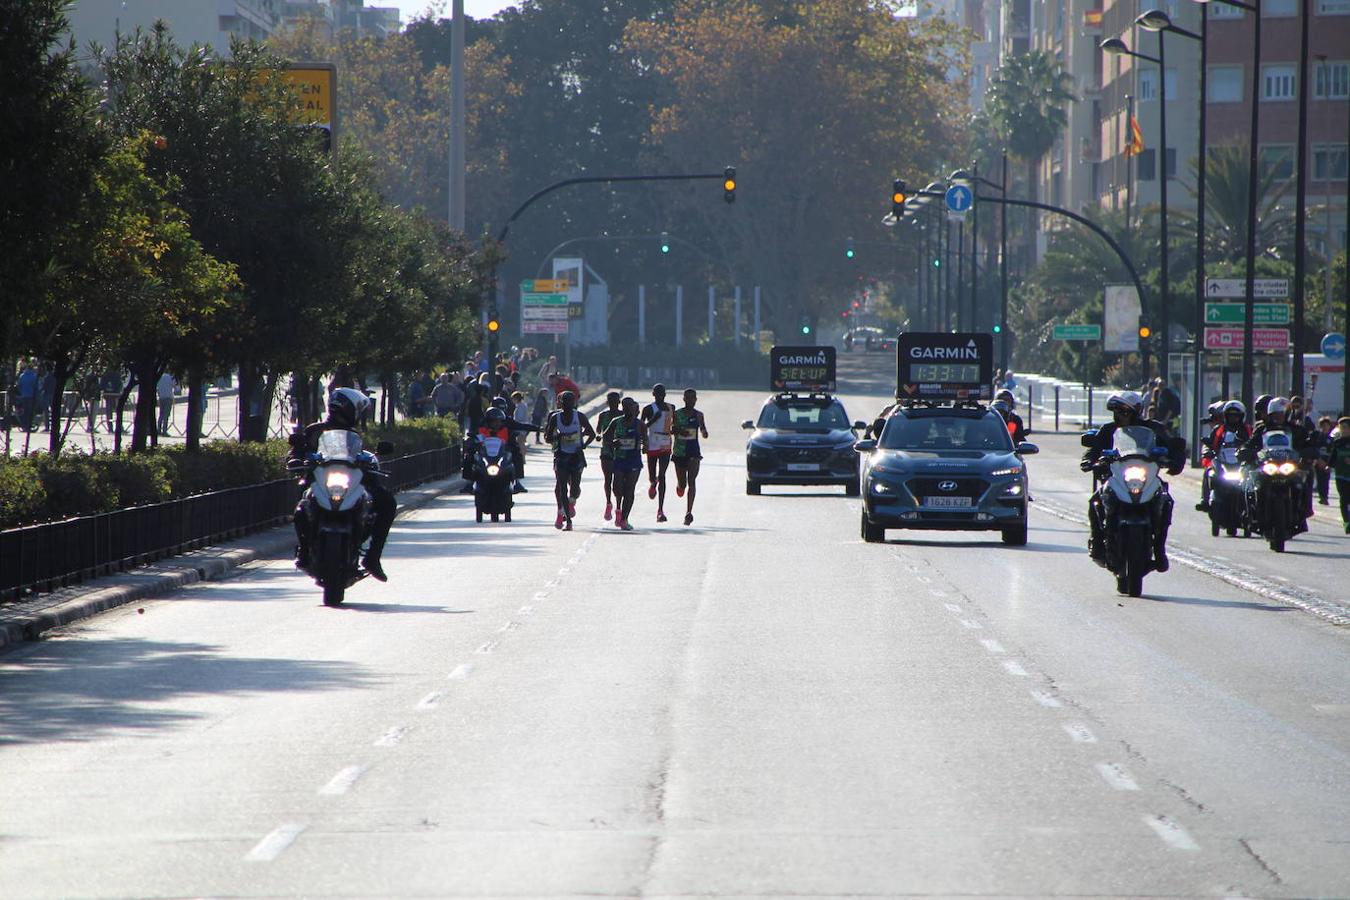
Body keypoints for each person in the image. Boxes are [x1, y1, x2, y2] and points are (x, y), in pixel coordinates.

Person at [289, 387, 395, 582]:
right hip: (320, 484)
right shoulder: (314, 431)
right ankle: (304, 549)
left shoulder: (354, 435)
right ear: (348, 409)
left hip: (347, 484)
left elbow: (364, 456)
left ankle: (373, 557)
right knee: (301, 507)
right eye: (357, 409)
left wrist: (370, 462)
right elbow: (297, 451)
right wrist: (297, 458)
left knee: (387, 501)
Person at [1081, 390, 1183, 572]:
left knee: (1166, 500)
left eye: (1124, 412)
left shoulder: (1153, 428)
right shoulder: (1108, 430)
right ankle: (1097, 543)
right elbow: (1094, 447)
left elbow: (1171, 444)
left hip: (1146, 477)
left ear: (1136, 412)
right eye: (1117, 412)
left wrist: (1174, 460)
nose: (1119, 416)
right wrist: (1090, 461)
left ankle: (1159, 548)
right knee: (1095, 501)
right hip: (1117, 477)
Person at [1240, 396, 1313, 531]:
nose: (1279, 418)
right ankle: (1251, 513)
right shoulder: (1261, 429)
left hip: (1289, 466)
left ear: (1288, 414)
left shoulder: (1297, 430)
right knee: (1250, 483)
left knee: (1305, 479)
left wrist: (1309, 451)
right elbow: (1250, 444)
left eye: (1282, 414)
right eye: (1275, 415)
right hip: (1267, 466)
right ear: (1270, 415)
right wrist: (1245, 451)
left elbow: (1308, 444)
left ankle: (1303, 512)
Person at [543, 390, 596, 530]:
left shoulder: (580, 417)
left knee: (574, 489)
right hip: (561, 456)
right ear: (561, 403)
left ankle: (571, 504)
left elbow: (592, 433)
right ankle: (567, 520)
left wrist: (583, 445)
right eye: (565, 402)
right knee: (561, 488)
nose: (567, 405)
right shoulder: (555, 418)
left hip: (576, 456)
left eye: (570, 402)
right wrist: (558, 437)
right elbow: (547, 438)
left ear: (574, 403)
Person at [600, 397, 648, 530]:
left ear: (634, 408)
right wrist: (612, 442)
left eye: (630, 406)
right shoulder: (616, 422)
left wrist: (645, 447)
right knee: (617, 488)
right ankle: (618, 508)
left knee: (630, 489)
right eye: (625, 407)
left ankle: (624, 518)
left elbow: (646, 440)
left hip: (634, 461)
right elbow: (605, 436)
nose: (628, 409)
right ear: (623, 408)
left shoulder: (639, 424)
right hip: (619, 459)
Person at [1197, 400, 1250, 511]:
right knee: (1208, 471)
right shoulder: (1219, 430)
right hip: (1223, 462)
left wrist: (1252, 453)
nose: (1233, 419)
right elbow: (1209, 444)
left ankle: (1251, 503)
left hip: (1241, 463)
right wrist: (1207, 451)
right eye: (1230, 416)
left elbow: (1255, 443)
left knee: (1254, 476)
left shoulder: (1248, 430)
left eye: (1236, 416)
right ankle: (1205, 500)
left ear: (1242, 417)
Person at [671, 388, 709, 526]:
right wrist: (681, 431)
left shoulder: (699, 415)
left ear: (696, 400)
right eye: (688, 398)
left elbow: (704, 430)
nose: (691, 400)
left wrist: (704, 433)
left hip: (694, 452)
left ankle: (688, 512)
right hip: (680, 452)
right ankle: (680, 486)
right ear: (684, 399)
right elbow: (672, 430)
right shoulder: (677, 414)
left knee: (692, 481)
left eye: (693, 398)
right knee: (683, 484)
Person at [641, 384, 676, 522]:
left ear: (665, 394)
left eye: (662, 393)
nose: (660, 396)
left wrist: (676, 431)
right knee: (652, 475)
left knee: (662, 475)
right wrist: (652, 421)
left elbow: (675, 424)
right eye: (657, 393)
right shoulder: (648, 409)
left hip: (666, 442)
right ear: (653, 394)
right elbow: (641, 427)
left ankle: (660, 510)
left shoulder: (671, 408)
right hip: (652, 442)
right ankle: (652, 482)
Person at [596, 391, 623, 522]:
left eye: (615, 401)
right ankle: (608, 503)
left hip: (620, 451)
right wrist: (599, 435)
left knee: (618, 482)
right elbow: (598, 430)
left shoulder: (623, 415)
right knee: (608, 479)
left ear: (619, 402)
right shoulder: (603, 415)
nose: (613, 404)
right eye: (610, 401)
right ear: (607, 403)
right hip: (606, 450)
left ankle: (618, 507)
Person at [1325, 417, 1350, 533]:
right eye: (1341, 428)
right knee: (1343, 499)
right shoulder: (1338, 442)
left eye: (1345, 428)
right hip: (1341, 475)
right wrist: (1328, 466)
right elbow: (1333, 456)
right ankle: (1346, 521)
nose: (1343, 430)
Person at [1313, 415, 1334, 506]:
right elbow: (1315, 449)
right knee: (1320, 479)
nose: (1325, 427)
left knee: (1326, 479)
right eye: (1323, 425)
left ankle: (1325, 497)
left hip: (1327, 461)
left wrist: (1329, 463)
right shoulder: (1317, 437)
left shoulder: (1331, 439)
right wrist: (1318, 460)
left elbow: (1333, 451)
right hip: (1319, 460)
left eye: (1327, 425)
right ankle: (1322, 496)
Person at [15, 362, 38, 432]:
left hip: (23, 396)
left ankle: (24, 425)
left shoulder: (22, 376)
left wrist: (22, 392)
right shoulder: (34, 376)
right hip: (31, 396)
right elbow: (36, 387)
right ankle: (29, 424)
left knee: (24, 411)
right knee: (30, 411)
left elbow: (19, 385)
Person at [156, 371, 176, 436]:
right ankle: (164, 430)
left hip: (161, 397)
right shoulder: (170, 377)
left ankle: (158, 429)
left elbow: (157, 387)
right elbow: (174, 386)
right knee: (166, 415)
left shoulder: (159, 377)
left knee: (161, 414)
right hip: (168, 397)